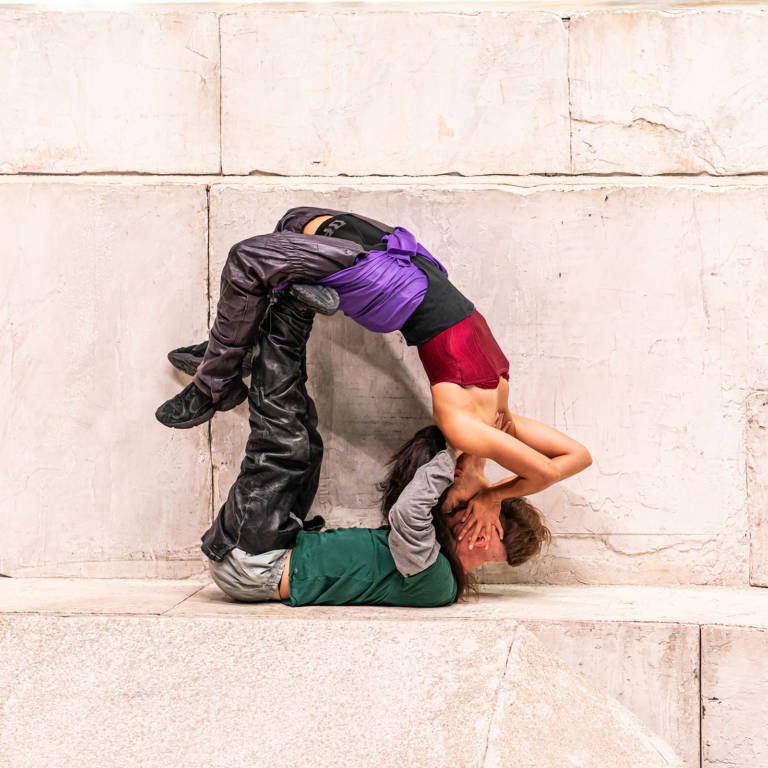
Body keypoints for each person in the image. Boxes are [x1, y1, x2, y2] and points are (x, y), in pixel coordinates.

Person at [158, 206, 592, 549]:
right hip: (410, 269)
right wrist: (493, 496)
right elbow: (567, 462)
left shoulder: (468, 427)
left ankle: (215, 384)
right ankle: (238, 351)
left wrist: (485, 485)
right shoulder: (497, 425)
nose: (450, 492)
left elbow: (564, 463)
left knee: (249, 257)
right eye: (457, 503)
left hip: (394, 286)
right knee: (298, 222)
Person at [200, 286, 552, 605]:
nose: (469, 514)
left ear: (485, 539)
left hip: (255, 564)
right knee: (305, 443)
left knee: (284, 445)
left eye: (481, 519)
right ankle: (254, 353)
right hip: (275, 543)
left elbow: (407, 512)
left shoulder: (438, 582)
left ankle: (274, 328)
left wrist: (458, 449)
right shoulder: (434, 554)